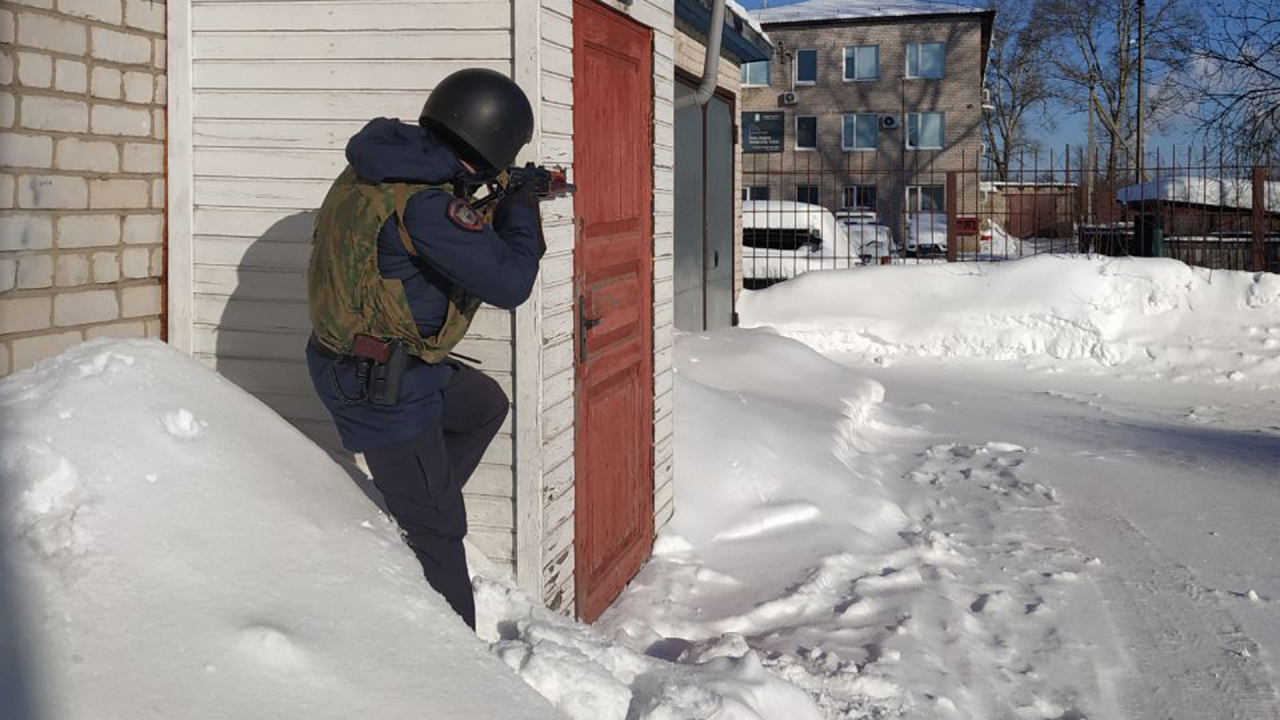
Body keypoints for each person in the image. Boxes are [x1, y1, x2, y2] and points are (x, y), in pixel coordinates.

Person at [305, 68, 544, 630]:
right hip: (383, 386)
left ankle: (414, 508)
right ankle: (451, 659)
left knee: (483, 404)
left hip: (370, 362)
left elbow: (420, 238)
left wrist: (492, 193)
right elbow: (511, 282)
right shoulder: (427, 207)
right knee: (441, 534)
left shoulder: (381, 165)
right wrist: (520, 204)